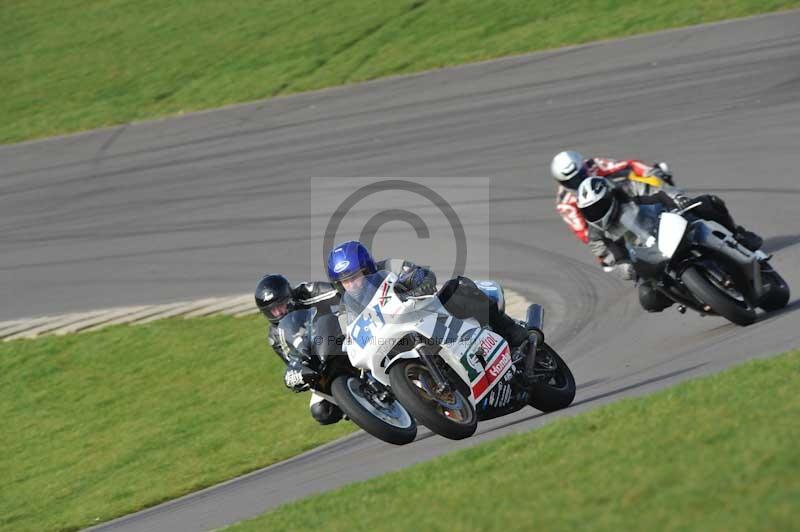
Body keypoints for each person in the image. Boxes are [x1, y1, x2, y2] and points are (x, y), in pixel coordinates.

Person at [325, 240, 540, 381]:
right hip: (390, 336)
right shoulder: (345, 307)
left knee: (459, 288)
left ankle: (511, 331)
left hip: (426, 311)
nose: (351, 285)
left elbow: (421, 274)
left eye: (355, 277)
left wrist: (422, 284)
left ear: (368, 269)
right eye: (345, 281)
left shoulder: (390, 266)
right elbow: (349, 333)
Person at [550, 150, 763, 281]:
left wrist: (651, 174)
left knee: (703, 201)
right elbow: (584, 233)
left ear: (582, 168)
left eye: (579, 175)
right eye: (571, 181)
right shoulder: (565, 203)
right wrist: (611, 253)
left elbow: (629, 166)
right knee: (641, 284)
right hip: (611, 228)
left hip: (629, 199)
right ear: (562, 182)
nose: (577, 182)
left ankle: (737, 235)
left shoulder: (594, 166)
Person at [254, 274, 343, 425]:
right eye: (272, 310)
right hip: (321, 360)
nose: (278, 313)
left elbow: (341, 293)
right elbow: (292, 362)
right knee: (322, 411)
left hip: (342, 335)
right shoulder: (275, 337)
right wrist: (299, 378)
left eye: (280, 305)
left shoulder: (308, 291)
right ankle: (360, 405)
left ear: (290, 297)